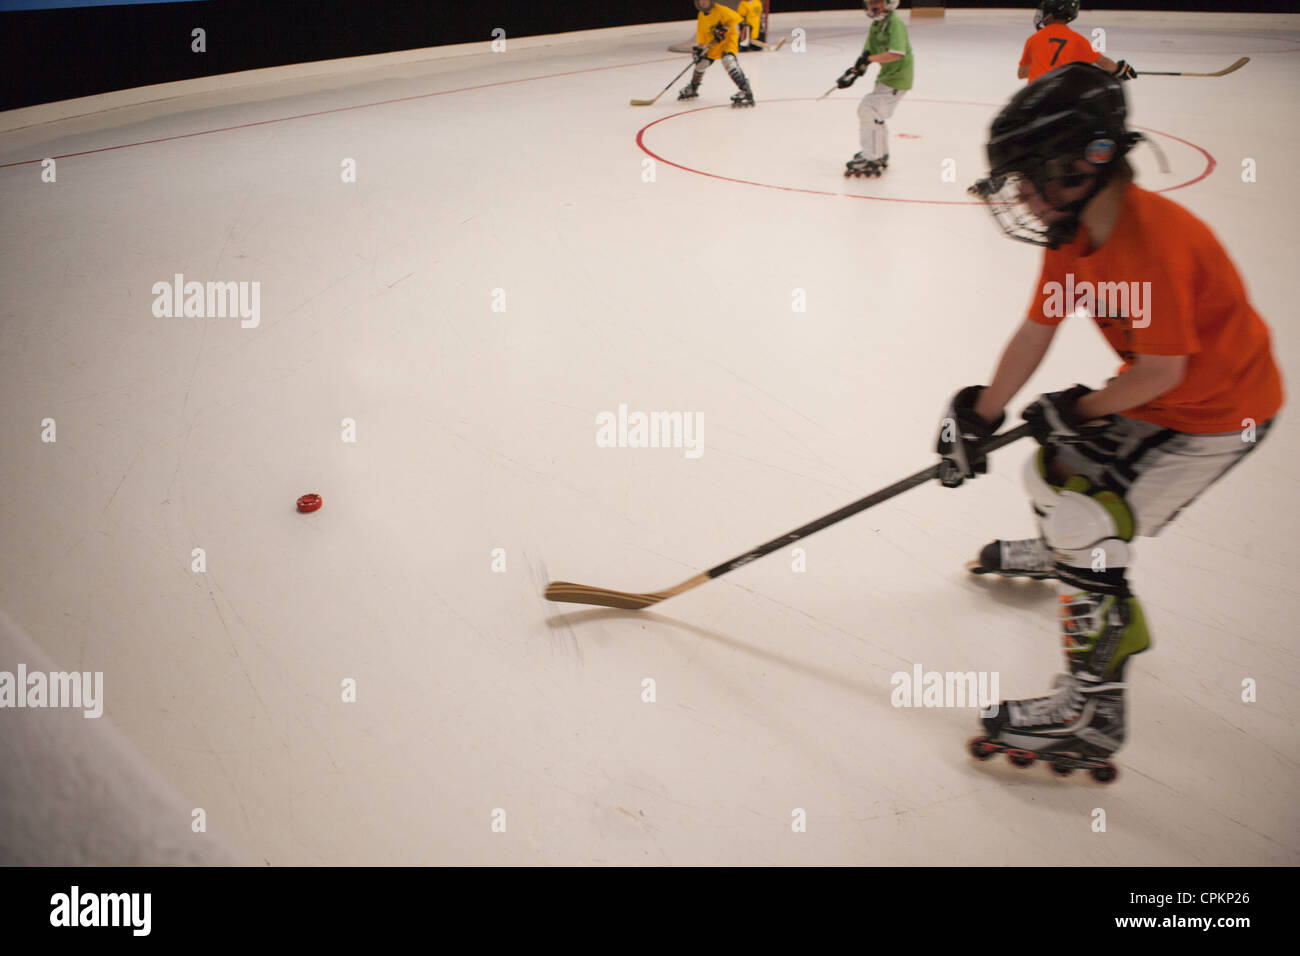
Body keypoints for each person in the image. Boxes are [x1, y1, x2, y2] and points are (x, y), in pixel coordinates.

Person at [941, 64, 1283, 776]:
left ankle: (1091, 709)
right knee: (1050, 472)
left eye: (1033, 178)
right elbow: (1039, 327)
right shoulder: (1071, 233)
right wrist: (983, 412)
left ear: (1090, 162)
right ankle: (1067, 556)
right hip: (1164, 399)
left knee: (1086, 520)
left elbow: (1165, 371)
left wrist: (1076, 410)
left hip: (1220, 415)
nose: (1023, 197)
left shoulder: (1154, 242)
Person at [835, 0, 913, 177]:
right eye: (870, 2)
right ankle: (880, 153)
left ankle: (871, 156)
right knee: (874, 113)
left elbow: (897, 53)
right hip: (887, 77)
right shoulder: (877, 25)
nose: (873, 5)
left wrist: (869, 60)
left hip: (899, 77)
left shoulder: (894, 22)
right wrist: (853, 73)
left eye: (877, 1)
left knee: (868, 110)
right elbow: (867, 54)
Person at [1021, 0, 1137, 84]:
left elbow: (1022, 73)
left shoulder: (1033, 39)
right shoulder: (1077, 40)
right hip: (1060, 93)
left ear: (1051, 16)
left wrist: (1039, 65)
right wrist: (1119, 69)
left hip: (1035, 95)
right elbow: (1103, 62)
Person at [678, 0, 755, 107]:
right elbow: (701, 36)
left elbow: (737, 18)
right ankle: (693, 87)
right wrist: (699, 50)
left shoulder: (721, 10)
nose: (703, 2)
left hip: (727, 43)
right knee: (701, 64)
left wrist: (724, 28)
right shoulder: (701, 15)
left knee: (728, 61)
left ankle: (746, 91)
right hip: (713, 45)